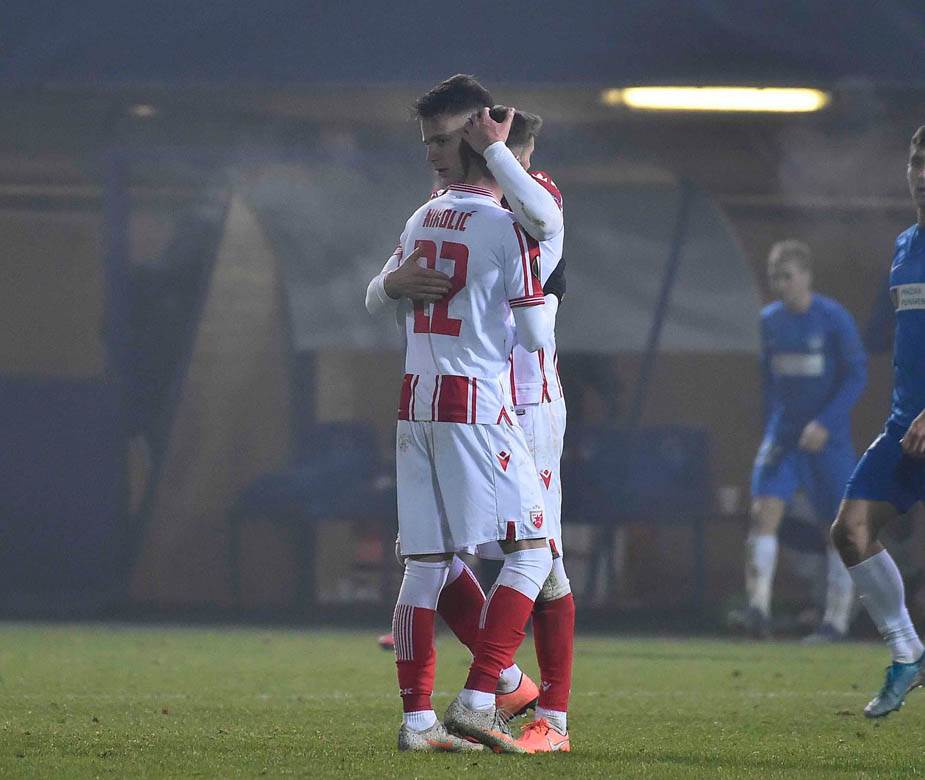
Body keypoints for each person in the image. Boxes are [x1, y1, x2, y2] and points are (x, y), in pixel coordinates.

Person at [368, 78, 573, 753]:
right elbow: (534, 331)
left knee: (424, 563)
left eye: (443, 139)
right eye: (427, 141)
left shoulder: (428, 215)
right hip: (483, 401)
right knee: (533, 551)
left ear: (479, 135)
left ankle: (419, 720)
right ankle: (487, 695)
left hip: (417, 400)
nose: (433, 152)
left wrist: (394, 286)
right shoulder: (503, 220)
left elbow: (544, 215)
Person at [831, 125, 925, 718]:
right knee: (851, 530)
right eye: (917, 159)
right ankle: (907, 652)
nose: (922, 171)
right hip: (906, 428)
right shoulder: (905, 245)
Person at [742, 240, 867, 641]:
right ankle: (757, 611)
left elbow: (856, 375)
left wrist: (827, 422)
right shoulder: (770, 320)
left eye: (788, 275)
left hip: (827, 441)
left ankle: (836, 620)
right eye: (775, 276)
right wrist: (770, 427)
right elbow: (768, 381)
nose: (781, 284)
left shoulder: (833, 318)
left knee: (838, 529)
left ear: (806, 276)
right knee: (763, 513)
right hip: (784, 437)